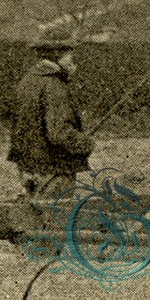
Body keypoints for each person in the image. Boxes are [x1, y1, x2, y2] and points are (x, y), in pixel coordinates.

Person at [8, 29, 95, 197]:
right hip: (54, 170)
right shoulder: (54, 85)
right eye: (69, 52)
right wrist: (85, 143)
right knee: (58, 220)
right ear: (57, 54)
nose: (72, 58)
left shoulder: (27, 81)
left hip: (29, 169)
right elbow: (58, 133)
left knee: (35, 218)